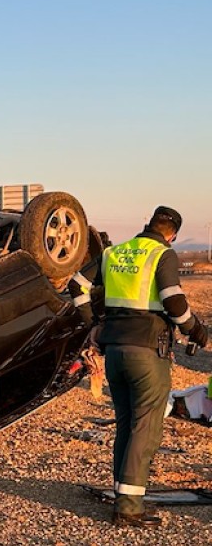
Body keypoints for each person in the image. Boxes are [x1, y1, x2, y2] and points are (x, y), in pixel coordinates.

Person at [72, 206, 208, 527]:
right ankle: (129, 507)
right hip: (148, 352)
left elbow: (77, 285)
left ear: (147, 224)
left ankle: (123, 493)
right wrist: (196, 331)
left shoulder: (115, 253)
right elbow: (174, 302)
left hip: (115, 353)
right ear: (172, 234)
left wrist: (93, 326)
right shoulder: (163, 253)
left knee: (126, 424)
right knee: (145, 428)